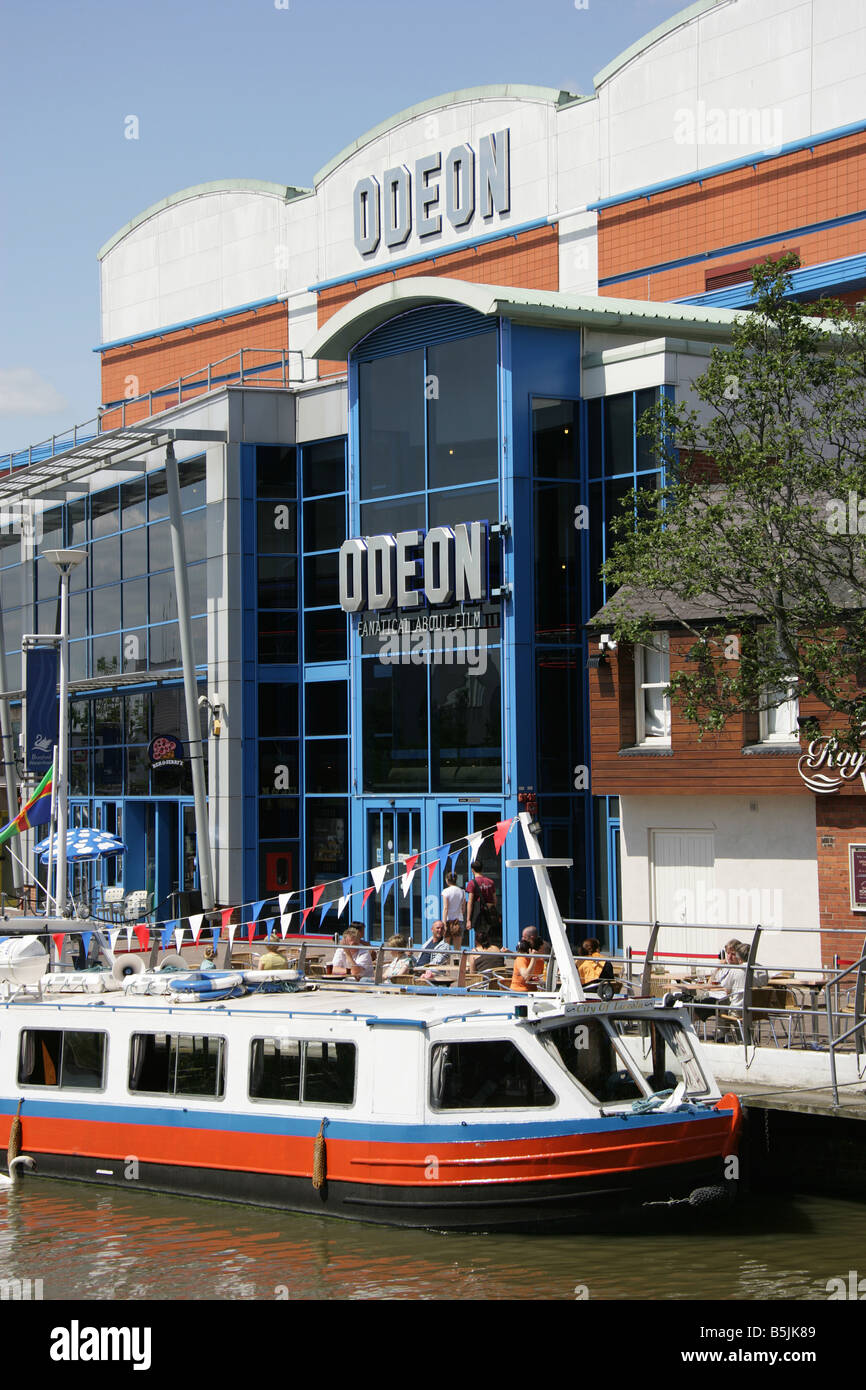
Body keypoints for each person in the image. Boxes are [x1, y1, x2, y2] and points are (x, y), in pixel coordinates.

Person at [465, 859, 499, 939]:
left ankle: (480, 950)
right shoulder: (490, 882)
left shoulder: (472, 883)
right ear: (482, 869)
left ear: (472, 870)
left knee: (479, 936)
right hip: (488, 913)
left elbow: (470, 902)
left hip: (478, 914)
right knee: (487, 935)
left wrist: (468, 919)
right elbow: (495, 899)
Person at [510, 926, 546, 993]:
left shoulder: (541, 959)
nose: (522, 939)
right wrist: (533, 959)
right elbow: (526, 977)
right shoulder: (521, 958)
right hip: (519, 993)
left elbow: (540, 977)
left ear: (531, 939)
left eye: (524, 937)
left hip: (533, 993)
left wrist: (536, 978)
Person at [441, 872, 465, 945]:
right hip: (458, 921)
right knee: (457, 947)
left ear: (447, 880)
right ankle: (457, 957)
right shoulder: (462, 891)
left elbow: (445, 908)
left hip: (448, 920)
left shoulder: (445, 891)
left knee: (446, 946)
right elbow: (463, 908)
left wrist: (444, 923)